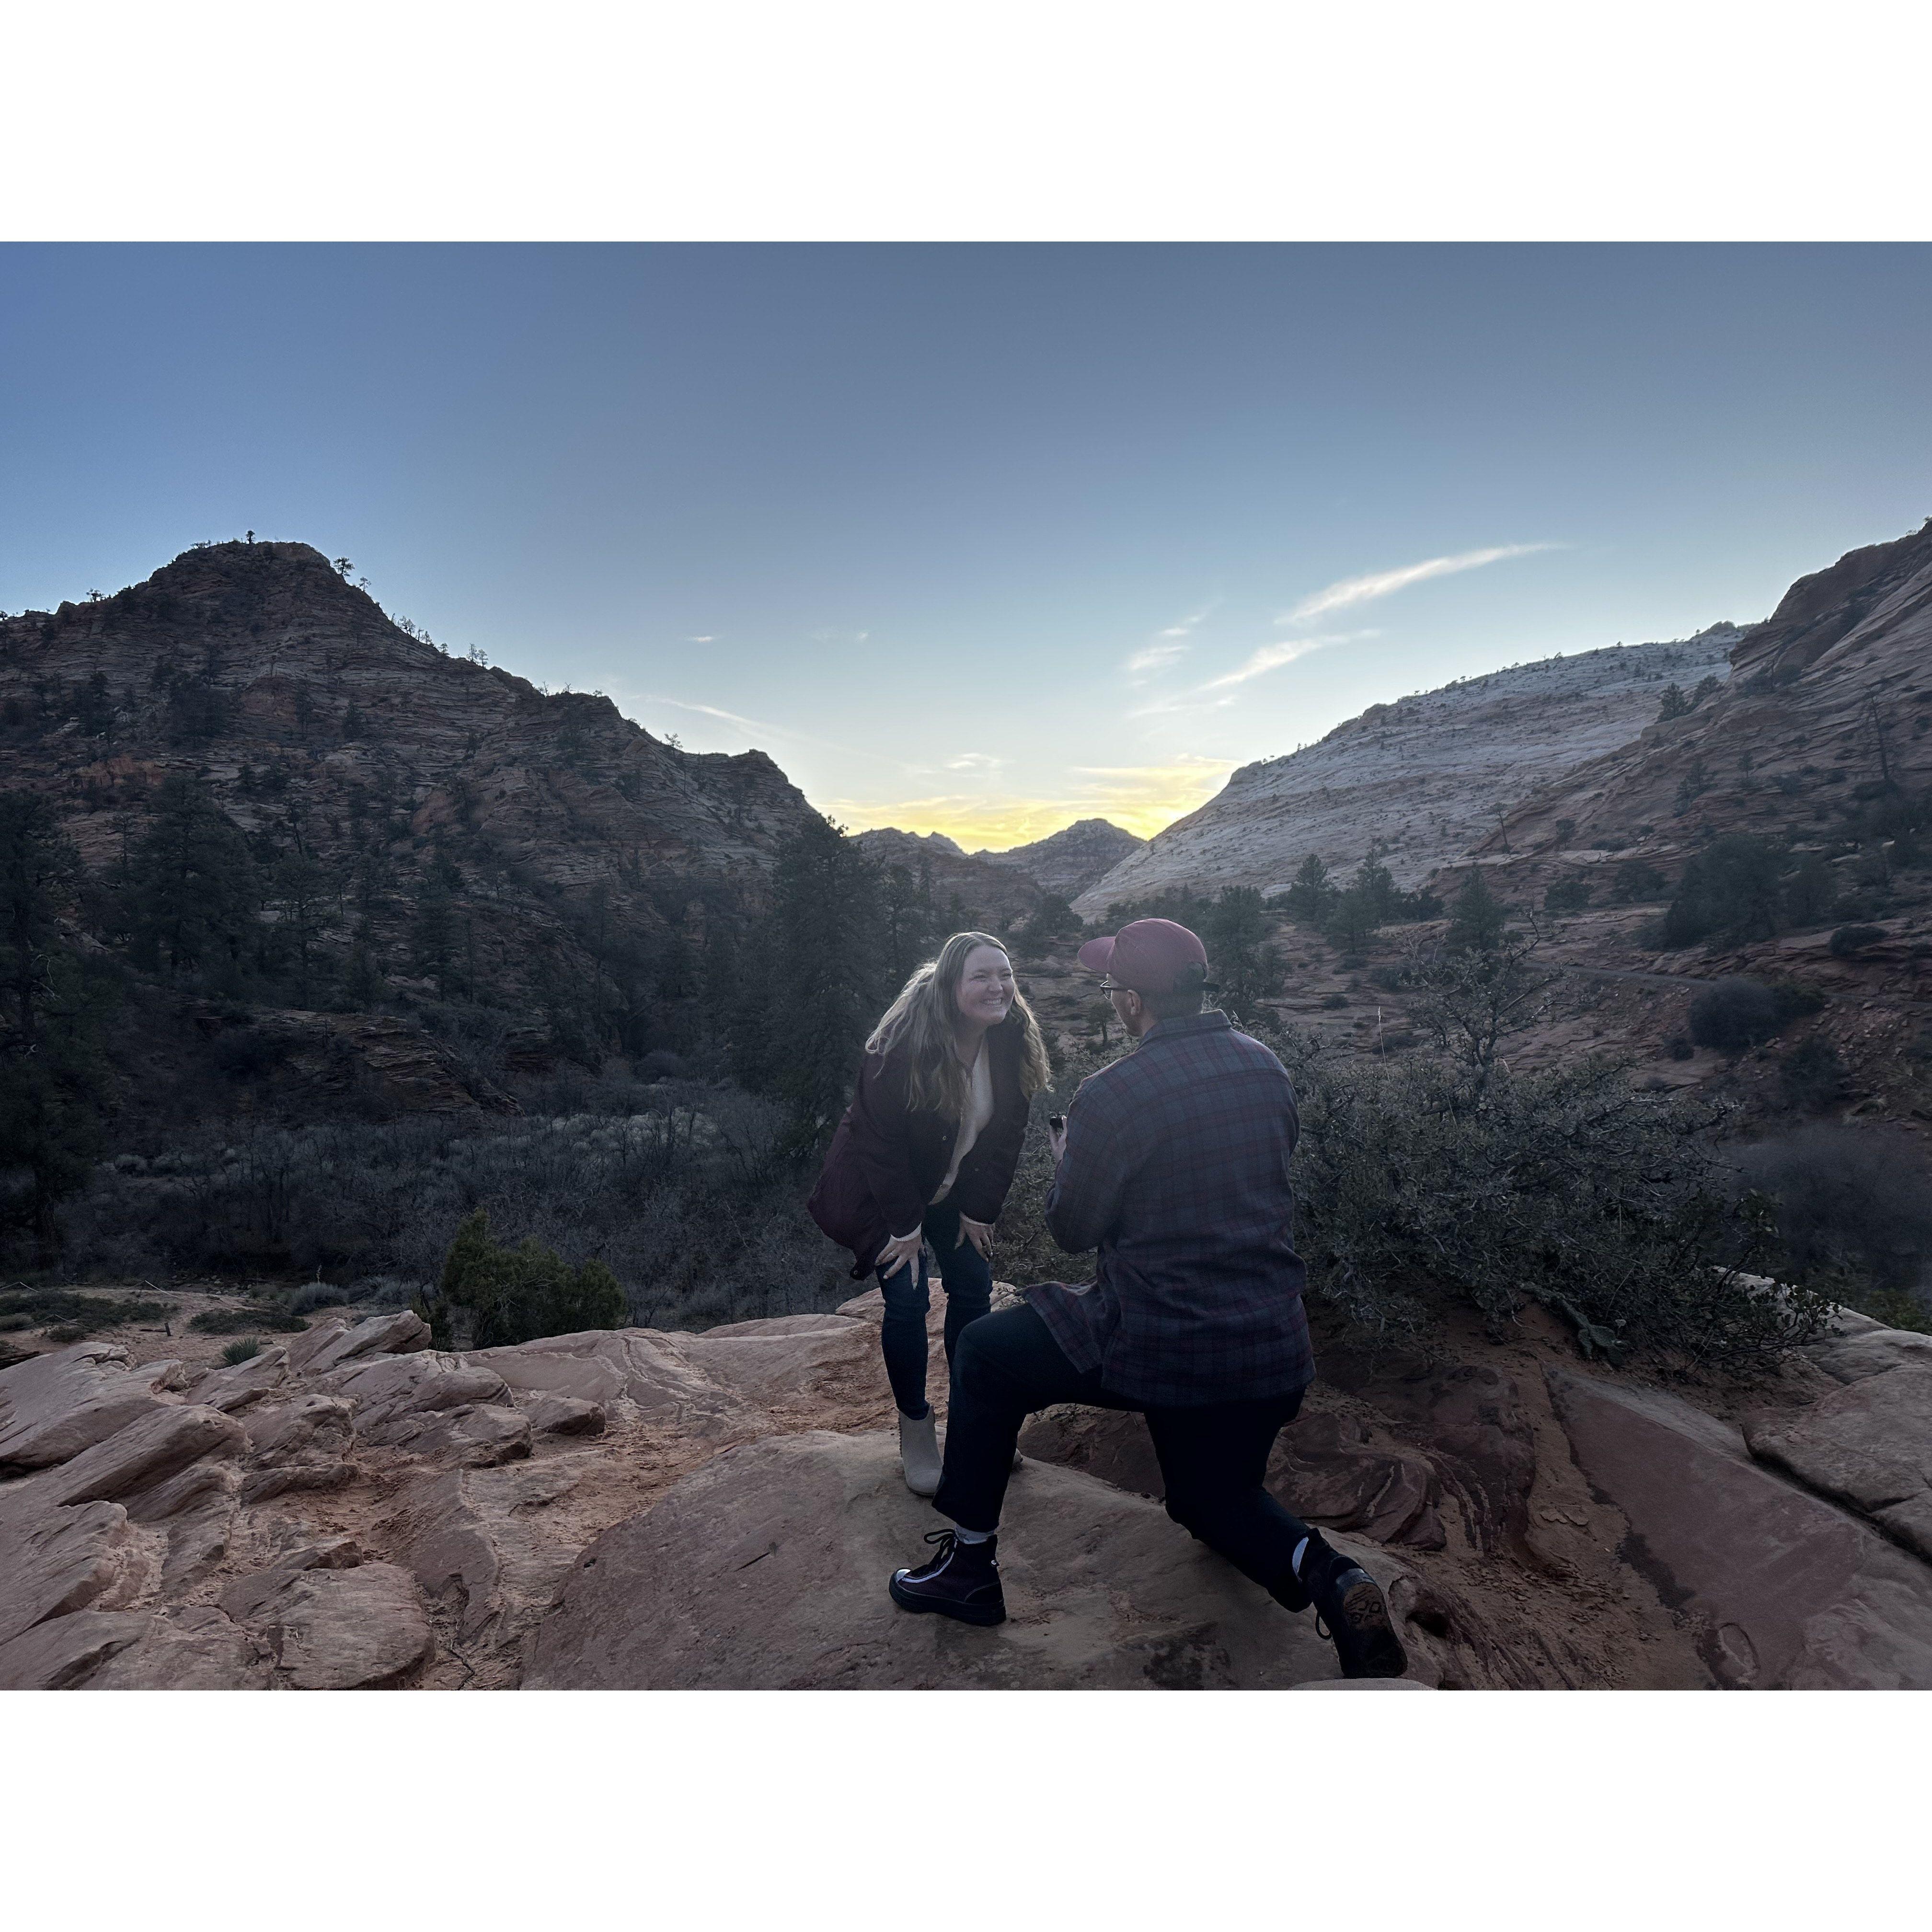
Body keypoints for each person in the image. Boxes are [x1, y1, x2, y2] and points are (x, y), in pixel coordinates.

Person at [885, 916, 1407, 1679]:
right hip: (1269, 1344)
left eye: (1111, 988)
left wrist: (1071, 1160)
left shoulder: (1114, 1093)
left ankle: (969, 1570)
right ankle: (1334, 1577)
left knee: (984, 1352)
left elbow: (1072, 1228)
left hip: (1161, 1334)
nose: (1109, 999)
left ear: (1133, 1002)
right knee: (1210, 1500)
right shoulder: (1266, 1066)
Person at [809, 931, 1052, 1495]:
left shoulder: (1012, 1036)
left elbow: (1009, 1133)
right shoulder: (899, 1043)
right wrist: (906, 1228)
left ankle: (973, 1418)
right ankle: (915, 1427)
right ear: (950, 986)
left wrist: (979, 1210)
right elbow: (879, 1142)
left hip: (953, 1187)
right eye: (982, 977)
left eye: (1006, 975)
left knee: (973, 1285)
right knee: (908, 1297)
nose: (999, 987)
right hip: (887, 1192)